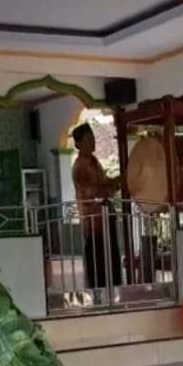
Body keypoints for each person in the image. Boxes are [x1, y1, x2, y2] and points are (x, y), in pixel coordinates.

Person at [72, 123, 122, 293]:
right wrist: (115, 184)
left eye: (93, 138)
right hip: (94, 224)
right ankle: (100, 299)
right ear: (78, 144)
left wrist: (120, 179)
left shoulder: (94, 162)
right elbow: (95, 192)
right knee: (99, 266)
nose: (93, 141)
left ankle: (114, 294)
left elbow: (105, 183)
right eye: (88, 139)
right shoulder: (80, 167)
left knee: (111, 262)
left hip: (106, 219)